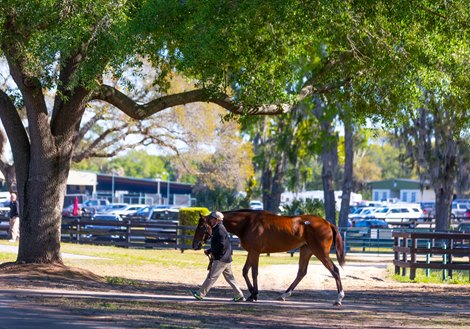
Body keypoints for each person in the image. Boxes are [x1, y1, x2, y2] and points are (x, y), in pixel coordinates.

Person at [191, 211, 245, 302]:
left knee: (211, 277)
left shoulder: (220, 229)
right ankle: (239, 295)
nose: (210, 220)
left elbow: (221, 245)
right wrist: (210, 250)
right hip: (226, 258)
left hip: (221, 259)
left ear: (216, 220)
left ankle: (200, 294)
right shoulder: (218, 228)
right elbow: (220, 244)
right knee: (230, 279)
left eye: (212, 219)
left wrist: (211, 251)